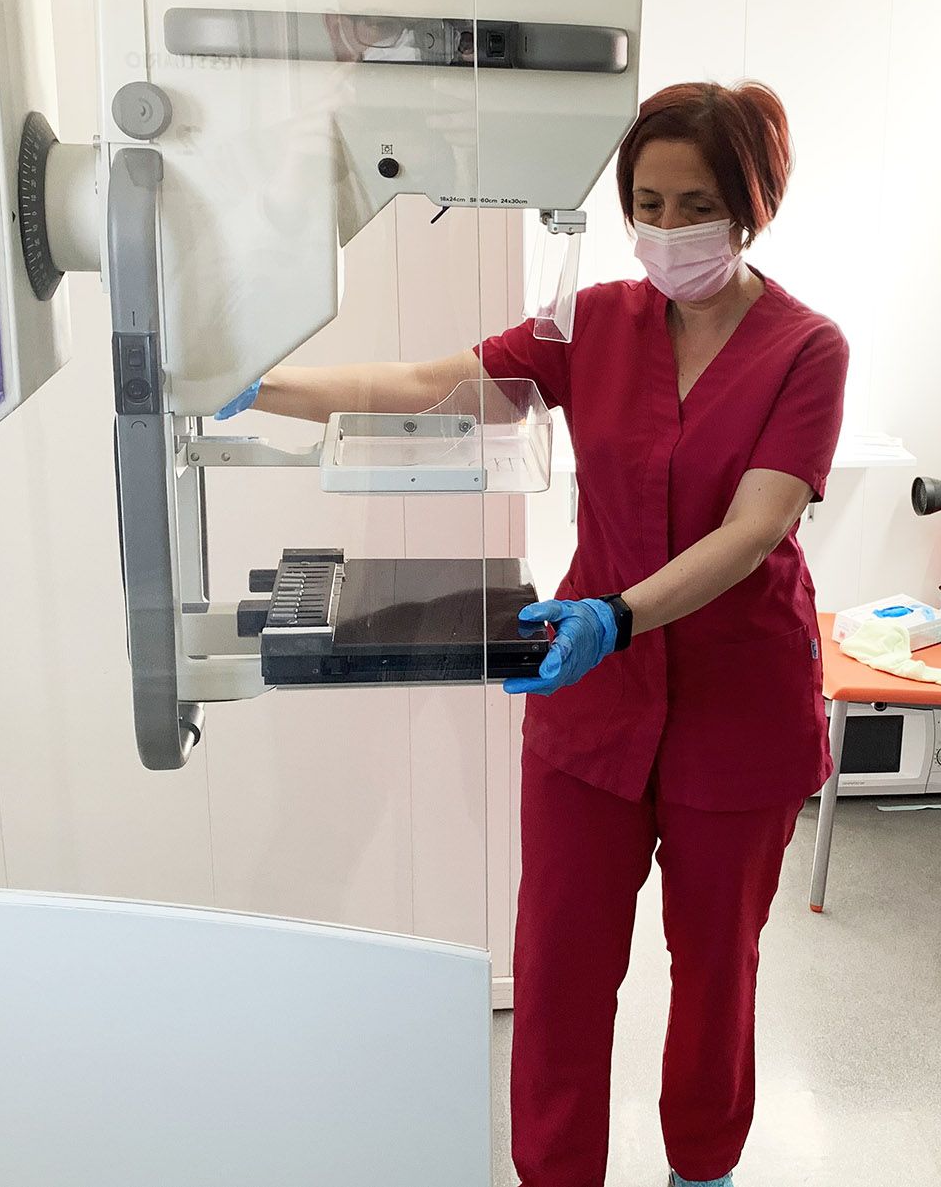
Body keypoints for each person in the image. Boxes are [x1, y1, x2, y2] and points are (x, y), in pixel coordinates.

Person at [229, 81, 848, 1187]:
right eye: (645, 203)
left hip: (733, 706)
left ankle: (698, 1169)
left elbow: (756, 525)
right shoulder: (591, 323)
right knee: (558, 971)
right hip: (589, 701)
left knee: (716, 974)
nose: (665, 230)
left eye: (693, 203)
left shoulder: (806, 348)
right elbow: (430, 385)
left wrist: (619, 614)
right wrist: (261, 384)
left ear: (751, 204)